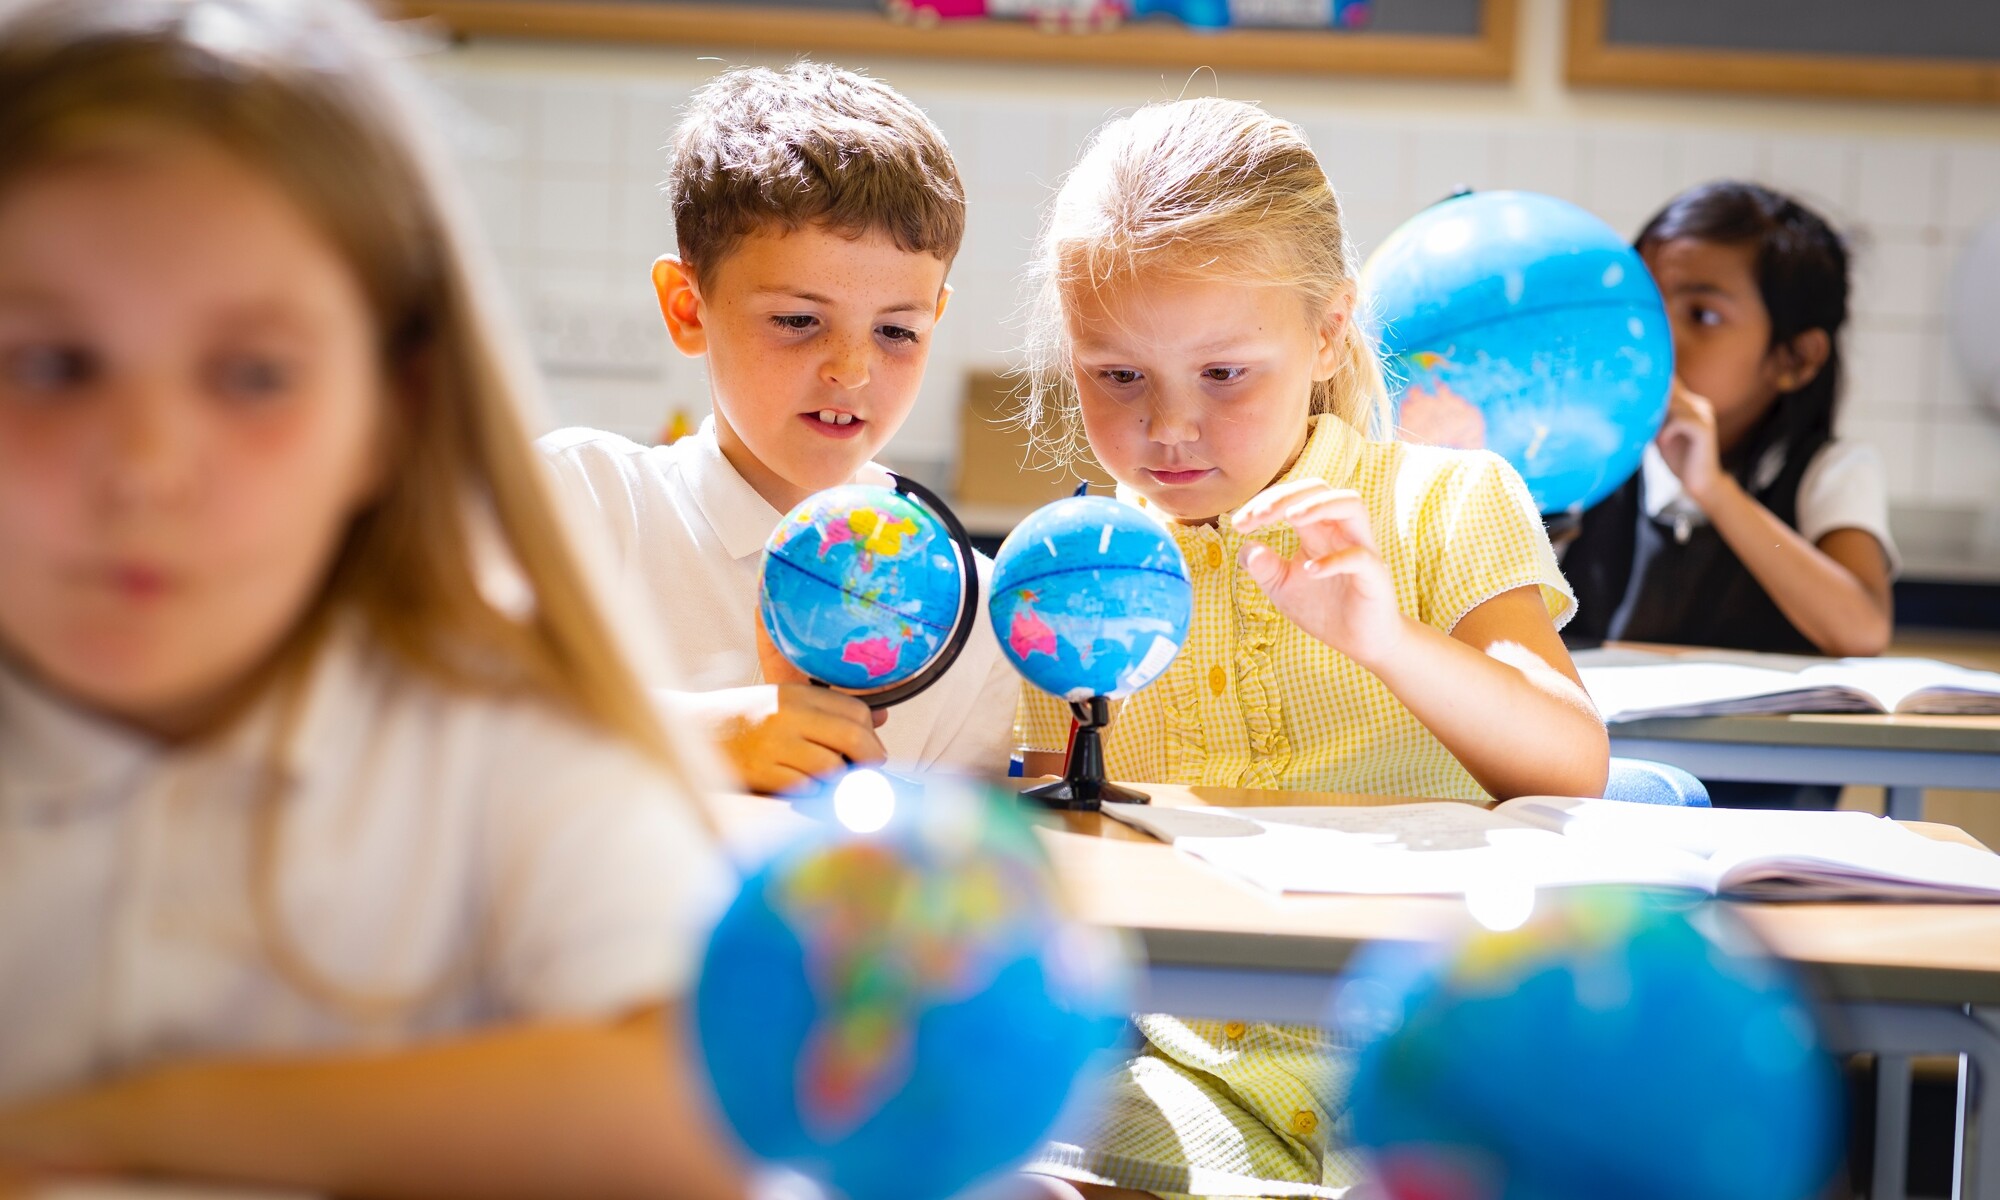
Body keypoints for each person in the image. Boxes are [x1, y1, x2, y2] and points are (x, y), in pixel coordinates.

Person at [0, 2, 742, 1196]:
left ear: (389, 417)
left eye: (251, 374)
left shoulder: (495, 746)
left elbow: (708, 1108)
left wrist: (116, 1122)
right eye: (50, 365)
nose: (141, 466)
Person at [1008, 98, 1608, 1198]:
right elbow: (1062, 852)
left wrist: (1383, 637)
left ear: (1327, 330)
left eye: (1223, 374)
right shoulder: (1073, 577)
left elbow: (1571, 762)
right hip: (1172, 1069)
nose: (1168, 427)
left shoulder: (1443, 503)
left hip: (1424, 1045)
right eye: (1115, 375)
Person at [542, 62, 1019, 795]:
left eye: (897, 331)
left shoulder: (975, 610)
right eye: (798, 321)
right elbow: (437, 724)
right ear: (688, 308)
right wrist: (702, 738)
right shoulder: (582, 503)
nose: (853, 370)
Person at [1561, 180, 1896, 662]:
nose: (1659, 334)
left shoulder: (1831, 471)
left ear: (1795, 359)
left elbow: (1862, 631)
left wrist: (1714, 490)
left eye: (1703, 315)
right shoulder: (1594, 456)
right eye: (1648, 304)